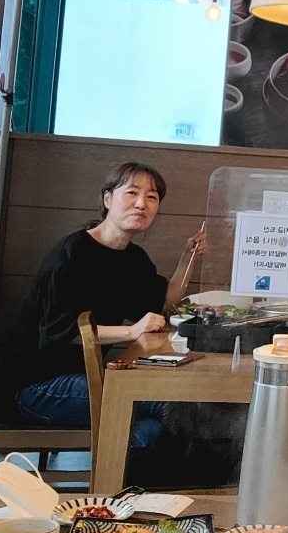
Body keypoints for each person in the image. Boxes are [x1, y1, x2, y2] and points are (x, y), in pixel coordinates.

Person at [15, 162, 203, 447]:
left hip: (85, 375)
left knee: (153, 429)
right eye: (132, 193)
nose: (141, 204)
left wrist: (188, 258)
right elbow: (62, 332)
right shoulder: (71, 254)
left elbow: (163, 302)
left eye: (152, 197)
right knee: (163, 403)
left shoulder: (132, 258)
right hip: (39, 386)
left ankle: (126, 470)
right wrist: (131, 331)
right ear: (107, 199)